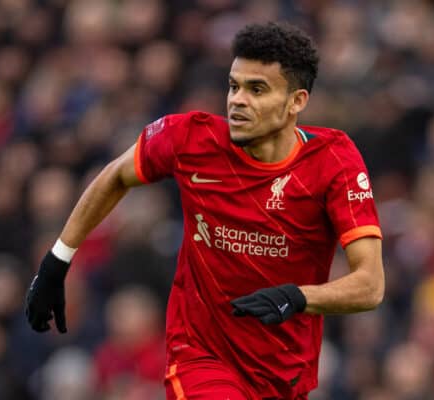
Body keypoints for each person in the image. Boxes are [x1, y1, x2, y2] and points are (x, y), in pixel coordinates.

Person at [25, 22, 385, 400]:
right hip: (200, 359)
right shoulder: (192, 139)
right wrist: (57, 262)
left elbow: (371, 285)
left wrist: (297, 297)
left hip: (284, 372)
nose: (237, 100)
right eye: (234, 86)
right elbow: (116, 175)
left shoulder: (332, 162)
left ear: (296, 101)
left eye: (257, 89)